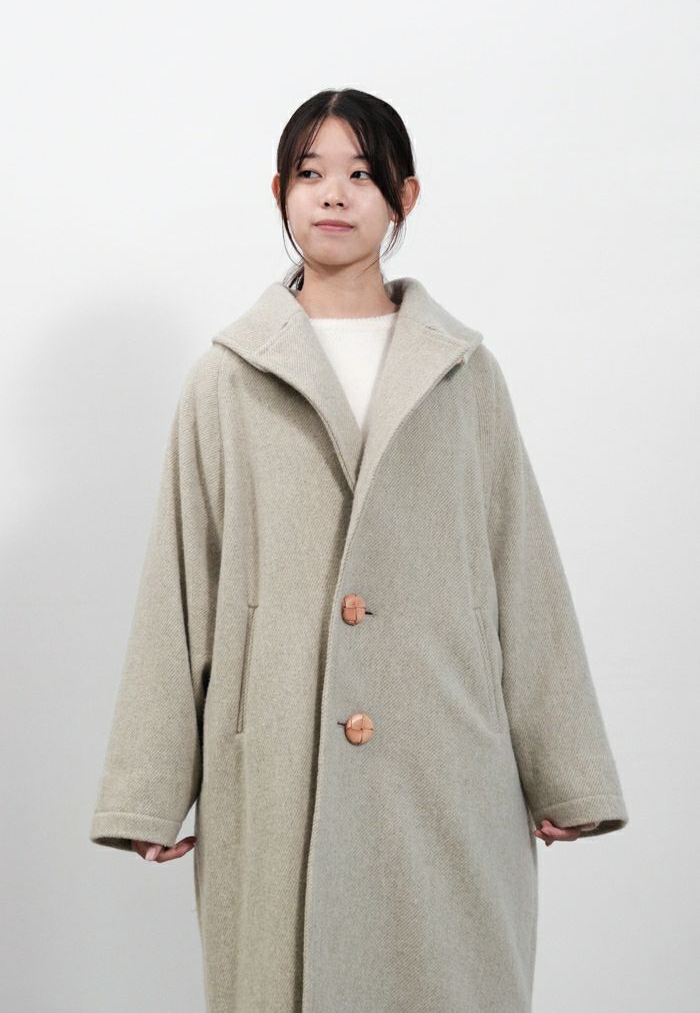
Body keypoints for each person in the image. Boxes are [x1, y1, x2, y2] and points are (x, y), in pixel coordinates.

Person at [90, 88, 628, 1012]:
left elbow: (521, 567)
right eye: (310, 173)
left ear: (404, 197)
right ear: (279, 191)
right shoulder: (227, 380)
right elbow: (179, 586)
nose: (333, 194)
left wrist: (564, 770)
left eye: (362, 174)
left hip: (444, 763)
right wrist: (150, 786)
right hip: (278, 766)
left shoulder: (464, 375)